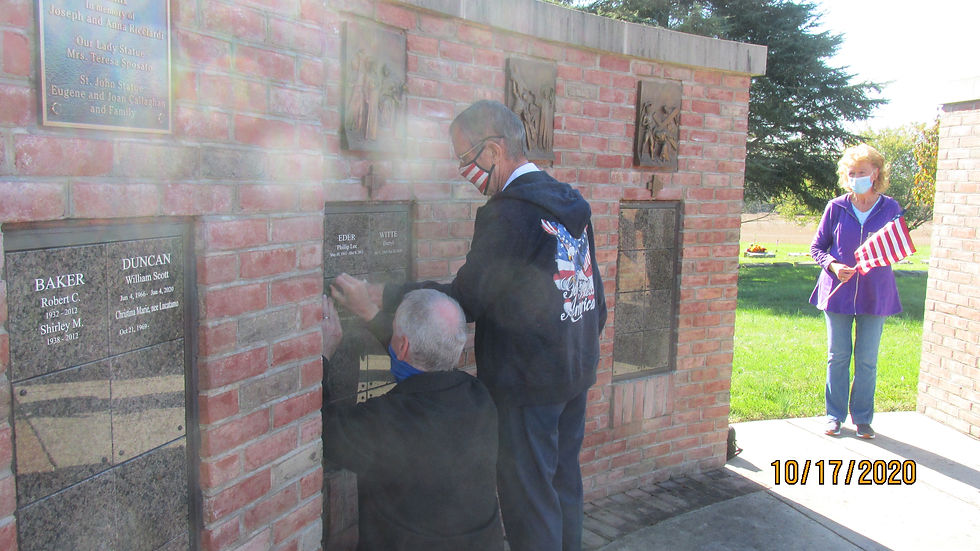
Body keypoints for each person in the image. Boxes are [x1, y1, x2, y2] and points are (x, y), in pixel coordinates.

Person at [332, 99, 607, 551]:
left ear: (495, 150)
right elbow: (592, 298)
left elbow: (467, 298)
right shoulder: (567, 203)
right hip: (573, 375)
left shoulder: (509, 212)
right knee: (562, 489)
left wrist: (381, 295)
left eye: (465, 157)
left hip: (527, 386)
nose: (464, 170)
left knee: (529, 503)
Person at [320, 289, 504, 551]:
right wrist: (372, 315)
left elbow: (323, 429)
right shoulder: (479, 398)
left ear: (403, 346)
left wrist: (322, 356)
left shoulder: (389, 419)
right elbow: (418, 351)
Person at [809, 143, 904, 440]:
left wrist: (881, 251)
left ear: (875, 173)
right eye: (851, 173)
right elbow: (817, 248)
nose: (856, 177)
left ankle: (863, 417)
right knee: (837, 356)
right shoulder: (836, 207)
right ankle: (833, 416)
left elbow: (897, 247)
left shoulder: (890, 208)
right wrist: (834, 266)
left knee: (867, 359)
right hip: (837, 292)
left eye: (861, 172)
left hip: (876, 294)